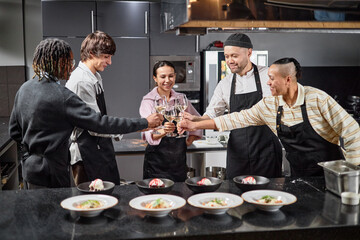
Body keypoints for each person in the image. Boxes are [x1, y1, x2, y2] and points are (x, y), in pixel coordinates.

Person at [9, 38, 163, 189]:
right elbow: (100, 123)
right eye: (69, 62)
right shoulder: (62, 96)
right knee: (55, 213)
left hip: (30, 170)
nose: (71, 67)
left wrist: (29, 156)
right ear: (57, 62)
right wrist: (144, 122)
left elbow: (15, 131)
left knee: (35, 212)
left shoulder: (24, 89)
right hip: (53, 172)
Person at [178, 57, 360, 177]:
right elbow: (234, 119)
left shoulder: (317, 99)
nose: (268, 82)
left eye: (272, 78)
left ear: (288, 79)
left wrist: (352, 176)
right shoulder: (270, 105)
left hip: (330, 176)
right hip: (298, 176)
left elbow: (353, 132)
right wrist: (198, 123)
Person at [184, 33, 282, 179]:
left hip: (266, 151)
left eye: (234, 56)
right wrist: (195, 120)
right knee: (236, 195)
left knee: (268, 195)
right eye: (227, 56)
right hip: (238, 153)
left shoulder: (268, 76)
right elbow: (212, 113)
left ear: (249, 52)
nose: (230, 61)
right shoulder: (225, 83)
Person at [65, 31, 122, 186]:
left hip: (98, 148)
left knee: (109, 197)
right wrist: (134, 126)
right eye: (105, 57)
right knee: (91, 202)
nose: (109, 62)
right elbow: (94, 124)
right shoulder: (81, 81)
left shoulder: (94, 76)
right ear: (91, 54)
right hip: (86, 153)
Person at [139, 61, 202, 182]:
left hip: (178, 161)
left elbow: (196, 119)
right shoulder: (148, 101)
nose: (167, 80)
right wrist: (164, 131)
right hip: (156, 164)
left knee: (179, 196)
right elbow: (149, 135)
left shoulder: (181, 98)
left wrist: (189, 140)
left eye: (171, 76)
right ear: (155, 78)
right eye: (162, 77)